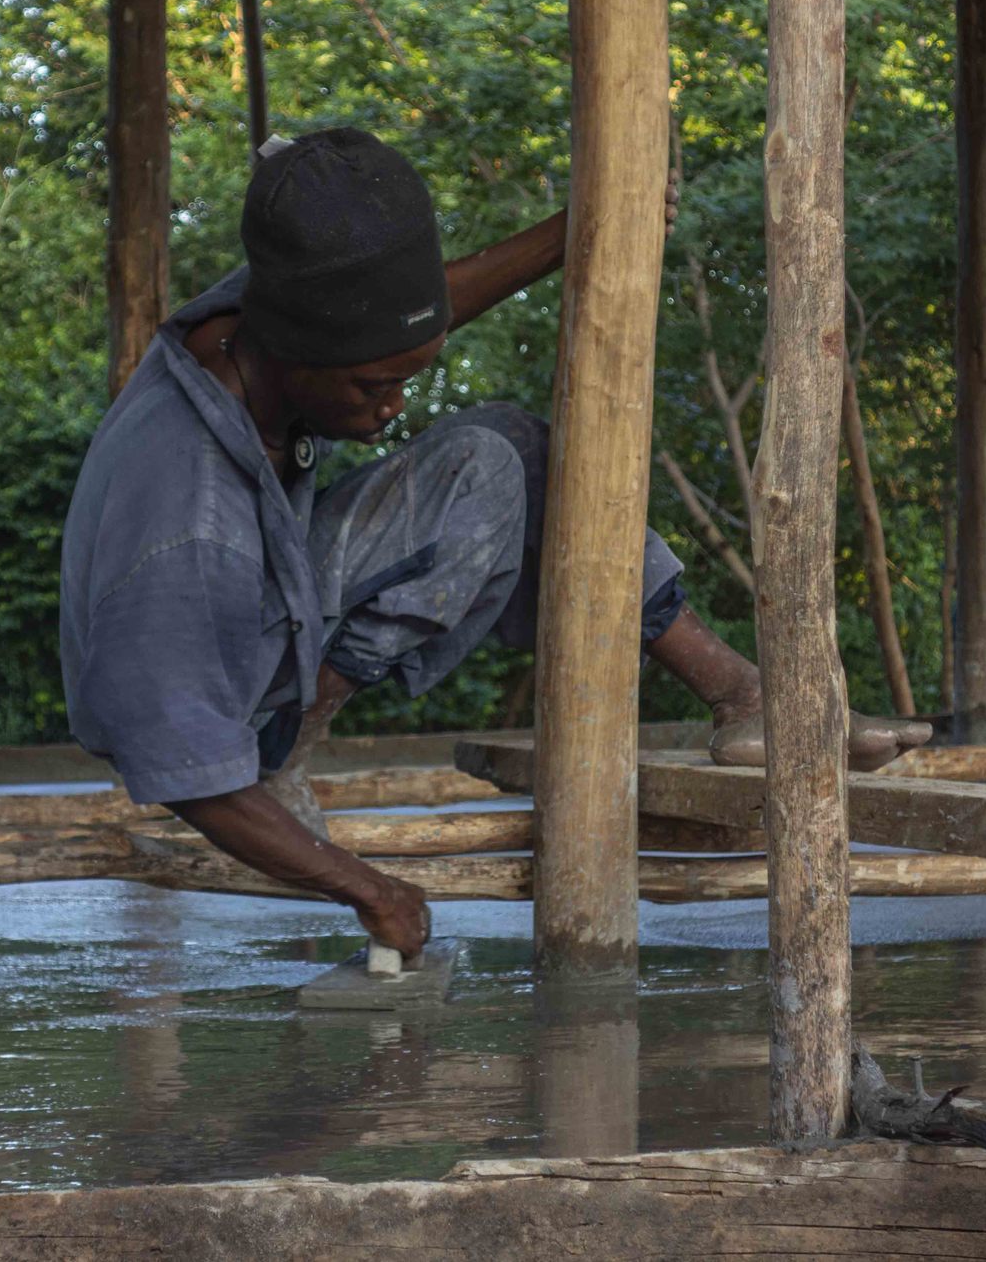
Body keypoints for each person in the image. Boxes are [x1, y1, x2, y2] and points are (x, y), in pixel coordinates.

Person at [60, 128, 929, 960]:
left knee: (510, 449)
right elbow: (185, 772)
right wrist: (366, 888)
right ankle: (281, 740)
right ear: (300, 352)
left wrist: (574, 229)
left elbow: (414, 312)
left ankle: (743, 697)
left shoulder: (279, 309)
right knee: (479, 479)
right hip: (220, 709)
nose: (394, 406)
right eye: (377, 386)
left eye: (407, 375)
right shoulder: (185, 526)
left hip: (271, 596)